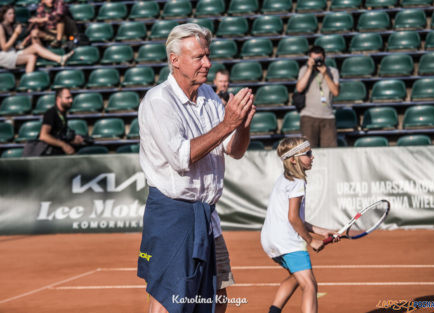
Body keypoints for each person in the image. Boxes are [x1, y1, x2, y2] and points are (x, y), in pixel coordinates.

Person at [137, 23, 256, 313]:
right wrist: (227, 123)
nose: (208, 63)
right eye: (199, 57)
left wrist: (242, 127)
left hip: (206, 215)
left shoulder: (209, 97)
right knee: (169, 300)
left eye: (207, 55)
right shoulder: (159, 100)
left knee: (216, 297)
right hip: (173, 216)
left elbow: (234, 150)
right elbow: (180, 157)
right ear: (174, 60)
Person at [260, 137, 338, 313]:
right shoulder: (298, 182)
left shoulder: (284, 179)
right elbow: (293, 218)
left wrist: (322, 232)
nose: (312, 157)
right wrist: (311, 241)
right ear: (294, 159)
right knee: (309, 285)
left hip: (270, 239)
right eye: (308, 154)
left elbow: (296, 219)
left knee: (296, 276)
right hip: (286, 241)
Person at [0, 5, 73, 73]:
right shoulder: (0, 27)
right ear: (4, 15)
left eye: (13, 13)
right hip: (2, 56)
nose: (12, 15)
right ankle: (29, 86)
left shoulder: (11, 26)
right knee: (32, 57)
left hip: (12, 53)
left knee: (35, 46)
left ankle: (59, 59)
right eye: (9, 14)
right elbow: (4, 48)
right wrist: (16, 33)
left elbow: (16, 41)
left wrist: (31, 26)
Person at [295, 46, 339, 148]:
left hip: (328, 117)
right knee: (308, 152)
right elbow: (299, 88)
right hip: (308, 116)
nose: (317, 61)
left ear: (324, 58)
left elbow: (336, 92)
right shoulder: (304, 70)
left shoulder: (333, 71)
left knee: (330, 153)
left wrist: (325, 74)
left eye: (319, 58)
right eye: (314, 59)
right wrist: (310, 68)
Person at [38, 88, 84, 155]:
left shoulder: (62, 114)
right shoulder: (51, 113)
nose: (71, 100)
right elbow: (43, 136)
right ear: (58, 99)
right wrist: (64, 145)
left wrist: (72, 140)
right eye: (67, 98)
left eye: (71, 98)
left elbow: (58, 136)